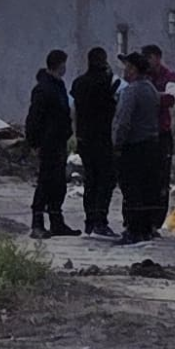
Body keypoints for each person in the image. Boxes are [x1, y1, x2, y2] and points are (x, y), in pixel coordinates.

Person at [25, 48, 78, 240]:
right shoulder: (43, 88)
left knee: (58, 184)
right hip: (47, 144)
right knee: (45, 183)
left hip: (59, 142)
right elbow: (34, 118)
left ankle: (57, 222)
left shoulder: (58, 85)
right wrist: (34, 142)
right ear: (59, 64)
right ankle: (37, 224)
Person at [112, 52, 162, 246]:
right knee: (147, 187)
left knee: (132, 189)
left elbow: (123, 121)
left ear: (133, 69)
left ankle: (133, 230)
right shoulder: (151, 89)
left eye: (127, 67)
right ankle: (146, 228)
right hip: (151, 144)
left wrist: (117, 144)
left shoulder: (131, 92)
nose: (125, 71)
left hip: (134, 146)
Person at [71, 47, 119, 237]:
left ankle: (90, 221)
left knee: (90, 180)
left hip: (84, 139)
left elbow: (74, 110)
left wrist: (77, 134)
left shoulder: (79, 83)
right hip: (103, 138)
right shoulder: (108, 82)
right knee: (105, 180)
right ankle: (100, 220)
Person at [141, 44, 175, 231]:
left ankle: (157, 220)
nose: (147, 62)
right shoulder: (143, 76)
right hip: (143, 133)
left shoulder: (169, 76)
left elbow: (171, 99)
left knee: (162, 179)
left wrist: (147, 96)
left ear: (157, 57)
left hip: (162, 133)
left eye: (149, 58)